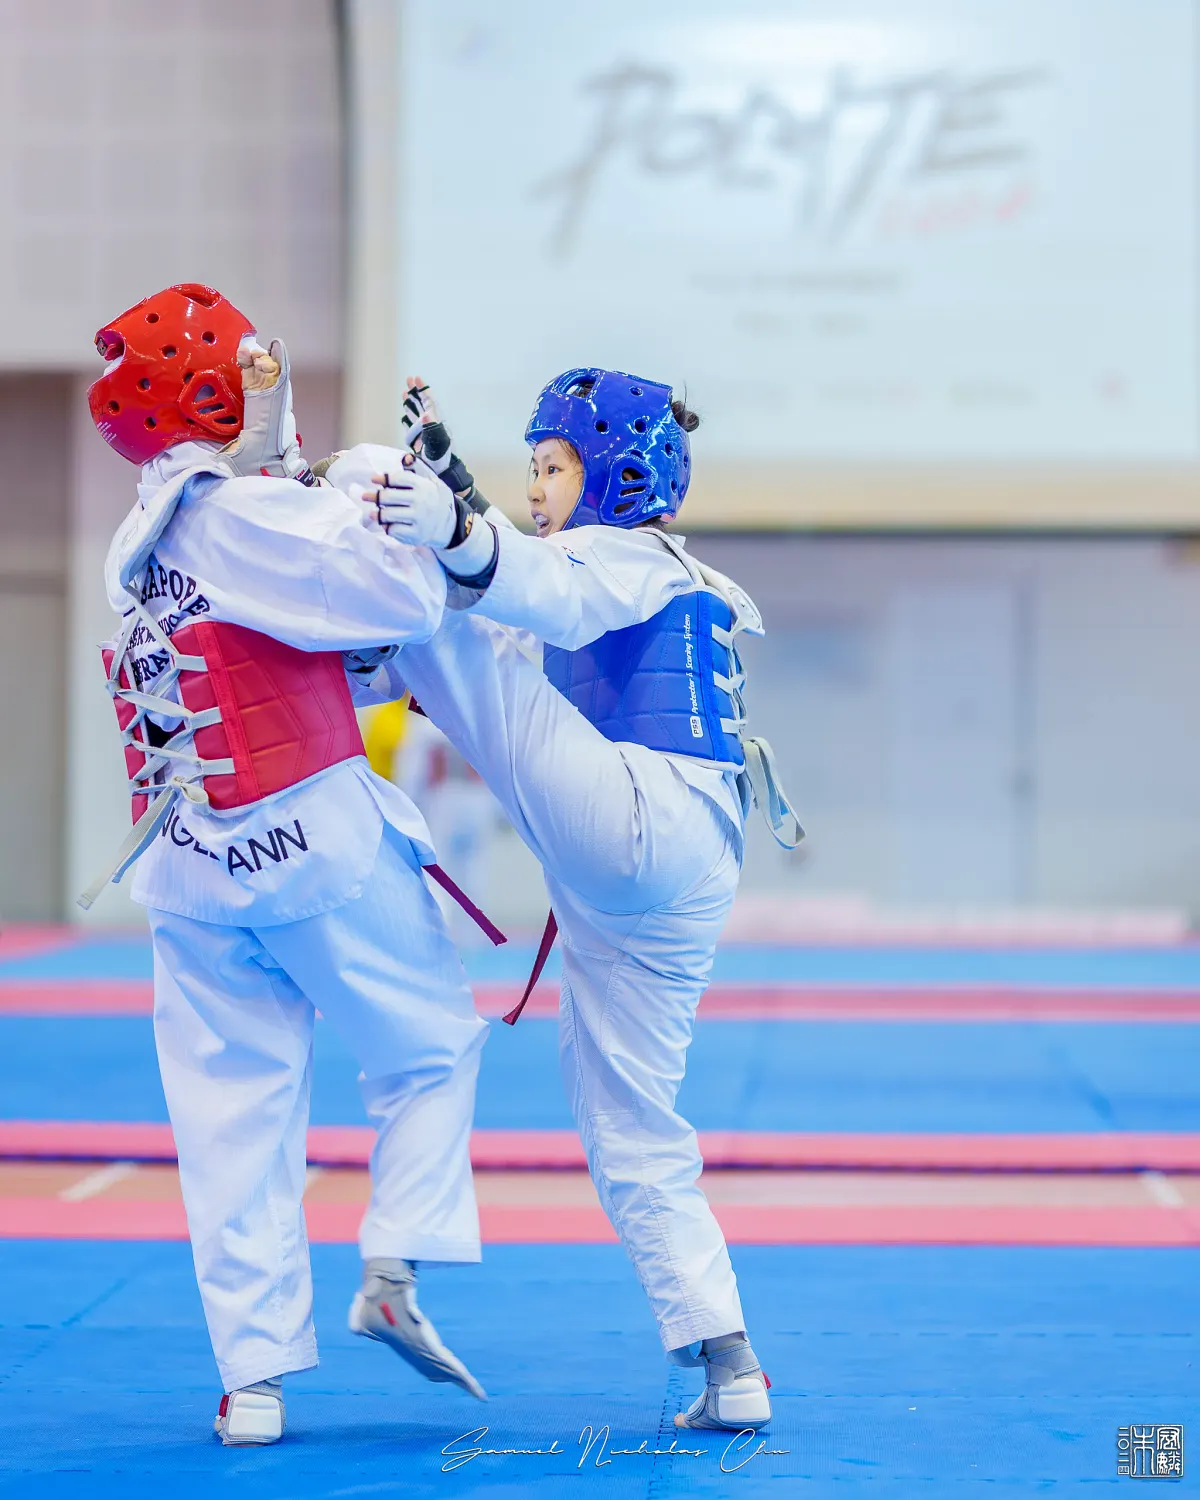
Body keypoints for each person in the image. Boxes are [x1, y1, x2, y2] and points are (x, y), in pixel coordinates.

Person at [334, 370, 801, 1432]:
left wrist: (428, 512)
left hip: (642, 821)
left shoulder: (629, 556)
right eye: (532, 468)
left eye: (553, 465)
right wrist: (453, 507)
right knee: (627, 1122)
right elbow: (516, 589)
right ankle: (730, 1362)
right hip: (672, 876)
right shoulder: (628, 574)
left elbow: (527, 588)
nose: (537, 485)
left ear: (617, 474)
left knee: (450, 622)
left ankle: (319, 505)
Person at [85, 284, 490, 1447]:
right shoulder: (249, 516)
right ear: (220, 394)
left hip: (184, 868)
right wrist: (396, 504)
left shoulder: (139, 538)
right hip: (305, 835)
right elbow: (401, 600)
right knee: (430, 1047)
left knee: (232, 1118)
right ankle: (395, 1262)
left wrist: (283, 457)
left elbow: (290, 629)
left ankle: (251, 1380)